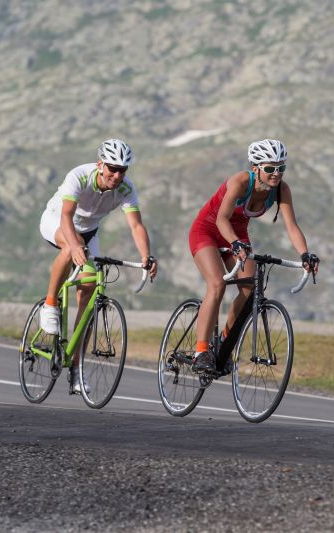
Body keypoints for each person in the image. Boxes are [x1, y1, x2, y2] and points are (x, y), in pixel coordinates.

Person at [187, 138, 319, 372]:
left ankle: (224, 344)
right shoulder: (240, 181)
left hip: (237, 236)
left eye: (281, 168)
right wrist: (235, 243)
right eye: (270, 168)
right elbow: (221, 219)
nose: (276, 173)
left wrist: (305, 254)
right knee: (217, 285)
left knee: (251, 290)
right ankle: (201, 351)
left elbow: (291, 226)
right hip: (208, 230)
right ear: (255, 168)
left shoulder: (281, 189)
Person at [38, 138, 158, 392]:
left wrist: (146, 255)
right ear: (100, 164)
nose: (117, 175)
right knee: (71, 246)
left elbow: (136, 225)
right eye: (112, 168)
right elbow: (66, 216)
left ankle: (76, 367)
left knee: (89, 295)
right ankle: (50, 304)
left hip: (89, 233)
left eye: (122, 170)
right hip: (57, 222)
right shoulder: (79, 176)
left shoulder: (126, 188)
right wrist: (74, 245)